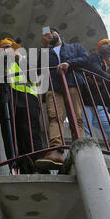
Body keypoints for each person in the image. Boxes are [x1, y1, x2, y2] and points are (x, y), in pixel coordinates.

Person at [35, 27, 90, 170]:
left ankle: (82, 149)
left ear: (59, 34)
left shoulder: (74, 47)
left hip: (71, 83)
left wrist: (69, 63)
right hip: (53, 87)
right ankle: (56, 151)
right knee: (54, 118)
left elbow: (85, 59)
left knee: (76, 117)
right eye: (46, 33)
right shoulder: (46, 51)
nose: (50, 34)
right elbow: (40, 67)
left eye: (52, 32)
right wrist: (45, 46)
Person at [0, 38, 45, 174]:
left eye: (8, 47)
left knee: (30, 132)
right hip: (6, 99)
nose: (5, 50)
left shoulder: (24, 57)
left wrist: (18, 59)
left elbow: (34, 76)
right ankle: (20, 168)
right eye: (2, 48)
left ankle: (38, 167)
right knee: (11, 135)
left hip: (26, 96)